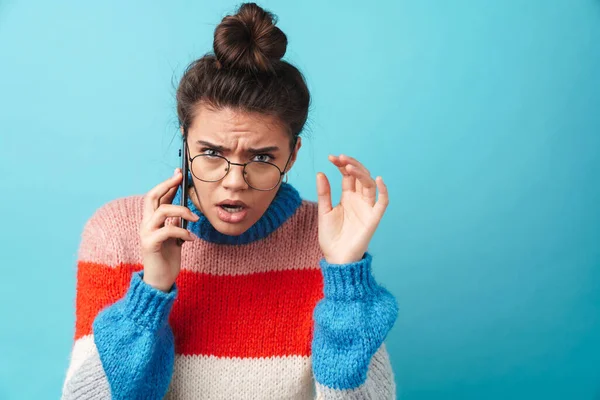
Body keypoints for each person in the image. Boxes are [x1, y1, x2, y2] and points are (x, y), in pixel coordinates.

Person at [60, 2, 398, 399]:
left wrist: (345, 281)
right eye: (211, 152)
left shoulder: (327, 240)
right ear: (184, 144)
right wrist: (150, 294)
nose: (234, 182)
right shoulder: (116, 233)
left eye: (261, 158)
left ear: (292, 155)